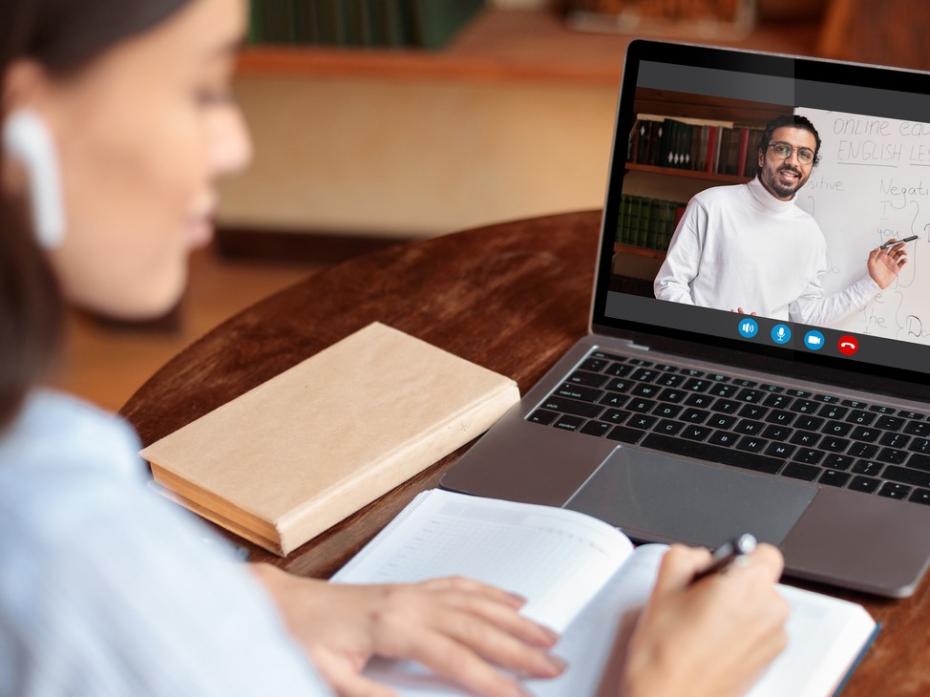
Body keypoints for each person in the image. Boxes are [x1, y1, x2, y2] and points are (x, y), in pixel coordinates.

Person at [0, 1, 788, 695]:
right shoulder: (70, 552)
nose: (235, 144)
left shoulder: (52, 451)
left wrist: (270, 599)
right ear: (22, 124)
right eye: (201, 88)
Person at [653, 114, 908, 323]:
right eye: (782, 149)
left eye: (804, 154)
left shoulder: (810, 233)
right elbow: (668, 285)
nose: (792, 161)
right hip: (702, 354)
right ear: (762, 156)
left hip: (764, 362)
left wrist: (872, 283)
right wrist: (714, 328)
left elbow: (806, 315)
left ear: (810, 166)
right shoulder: (710, 205)